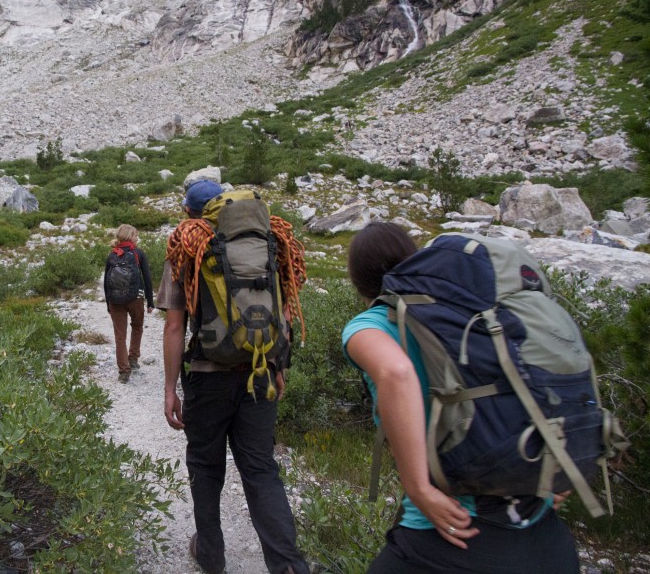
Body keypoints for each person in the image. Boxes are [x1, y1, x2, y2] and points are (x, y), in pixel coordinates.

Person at [342, 221, 580, 573]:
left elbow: (397, 372)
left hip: (455, 537)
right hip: (547, 538)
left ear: (358, 283)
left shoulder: (371, 325)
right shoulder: (472, 316)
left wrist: (418, 487)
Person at [157, 180, 313, 574]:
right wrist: (277, 366)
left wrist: (170, 389)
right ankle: (288, 565)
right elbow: (284, 312)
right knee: (260, 469)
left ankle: (210, 555)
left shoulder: (188, 244)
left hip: (208, 377)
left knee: (206, 467)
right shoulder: (267, 242)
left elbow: (175, 327)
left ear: (191, 212)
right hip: (259, 372)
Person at [104, 224, 154, 384]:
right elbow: (147, 278)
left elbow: (106, 282)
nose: (137, 238)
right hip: (136, 298)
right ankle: (133, 358)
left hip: (115, 301)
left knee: (120, 336)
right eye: (136, 235)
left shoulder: (112, 255)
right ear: (130, 237)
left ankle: (124, 372)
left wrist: (108, 303)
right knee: (137, 327)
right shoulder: (138, 253)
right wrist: (150, 302)